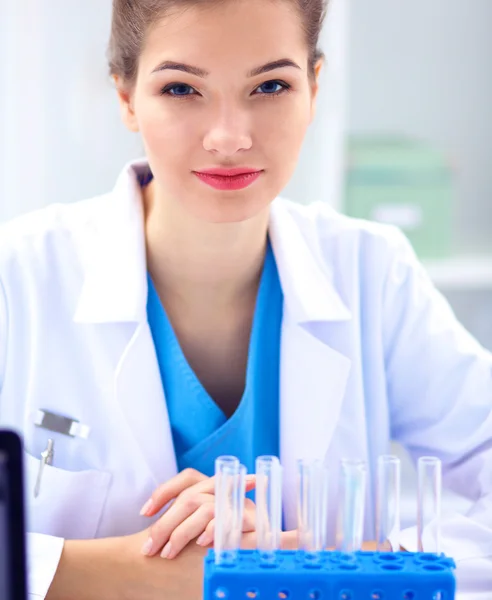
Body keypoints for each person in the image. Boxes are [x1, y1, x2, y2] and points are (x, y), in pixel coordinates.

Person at [0, 0, 491, 598]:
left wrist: (316, 560)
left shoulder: (371, 270)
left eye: (271, 85)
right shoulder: (19, 275)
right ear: (127, 97)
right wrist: (150, 569)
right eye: (182, 89)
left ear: (313, 87)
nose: (229, 137)